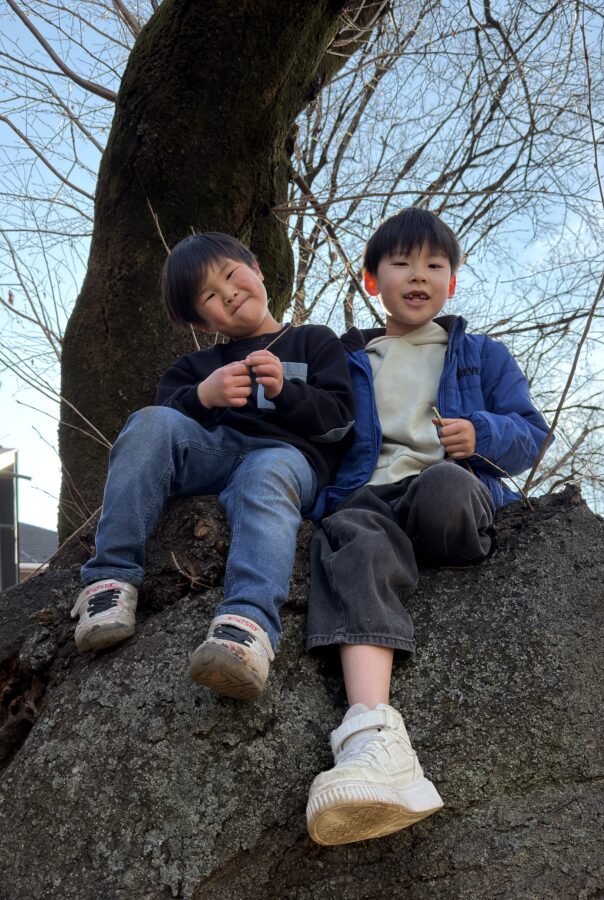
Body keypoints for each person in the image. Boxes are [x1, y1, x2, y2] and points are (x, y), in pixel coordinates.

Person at [303, 208, 550, 845]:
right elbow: (313, 431)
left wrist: (481, 433)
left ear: (452, 283)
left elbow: (530, 433)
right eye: (402, 264)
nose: (419, 276)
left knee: (444, 486)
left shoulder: (481, 355)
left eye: (434, 265)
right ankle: (373, 735)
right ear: (371, 281)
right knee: (350, 534)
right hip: (371, 498)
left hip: (447, 490)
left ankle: (415, 554)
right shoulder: (346, 359)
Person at [72, 232, 353, 702]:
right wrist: (204, 396)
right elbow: (155, 433)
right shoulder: (195, 366)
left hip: (287, 458)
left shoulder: (315, 341)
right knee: (147, 421)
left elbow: (341, 423)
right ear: (202, 323)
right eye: (209, 296)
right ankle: (110, 581)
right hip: (214, 452)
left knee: (267, 474)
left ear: (257, 270)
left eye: (230, 274)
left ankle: (247, 628)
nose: (228, 293)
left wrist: (287, 392)